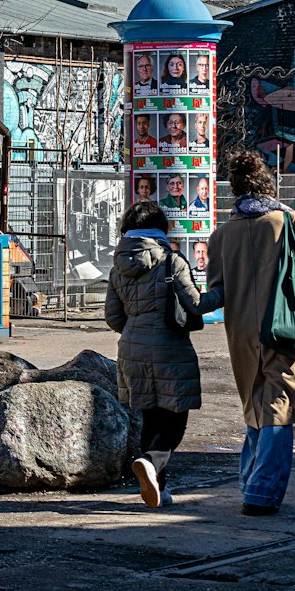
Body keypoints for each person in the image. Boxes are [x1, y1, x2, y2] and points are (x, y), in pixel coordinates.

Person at [204, 149, 295, 516]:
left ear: (235, 189)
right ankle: (261, 491)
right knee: (279, 405)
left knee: (255, 404)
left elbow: (216, 290)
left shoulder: (222, 235)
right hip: (283, 327)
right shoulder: (289, 222)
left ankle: (249, 480)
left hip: (240, 331)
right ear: (268, 182)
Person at [105, 200, 204, 508]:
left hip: (131, 349)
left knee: (150, 416)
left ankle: (159, 489)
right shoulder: (172, 261)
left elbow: (113, 317)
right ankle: (149, 460)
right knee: (175, 418)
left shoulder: (118, 267)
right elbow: (195, 304)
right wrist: (225, 293)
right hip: (170, 348)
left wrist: (136, 329)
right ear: (160, 229)